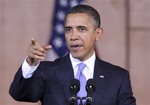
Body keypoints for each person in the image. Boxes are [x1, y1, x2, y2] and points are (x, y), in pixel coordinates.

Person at [9, 5, 136, 105]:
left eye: (81, 29)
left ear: (98, 33)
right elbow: (19, 94)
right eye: (68, 30)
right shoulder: (47, 71)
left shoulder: (118, 77)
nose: (73, 37)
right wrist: (30, 63)